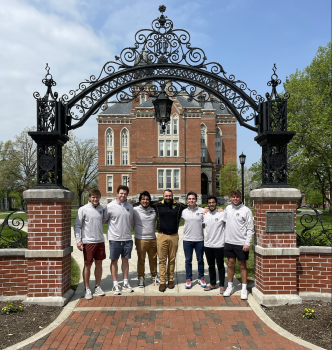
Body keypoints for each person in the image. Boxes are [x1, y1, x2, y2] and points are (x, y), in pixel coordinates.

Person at [151, 189, 187, 292]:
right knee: (162, 260)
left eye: (170, 196)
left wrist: (206, 208)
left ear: (172, 196)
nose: (168, 198)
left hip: (174, 236)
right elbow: (144, 202)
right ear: (163, 196)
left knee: (172, 259)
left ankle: (170, 279)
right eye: (166, 196)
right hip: (161, 236)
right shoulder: (157, 205)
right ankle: (162, 281)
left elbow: (191, 207)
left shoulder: (179, 206)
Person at [74, 189, 106, 300]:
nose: (95, 199)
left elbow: (103, 222)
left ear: (100, 197)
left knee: (99, 264)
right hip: (88, 242)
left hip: (100, 241)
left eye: (97, 197)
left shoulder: (102, 209)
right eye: (93, 197)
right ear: (89, 197)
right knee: (88, 265)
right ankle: (87, 288)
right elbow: (77, 225)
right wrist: (78, 240)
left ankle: (97, 286)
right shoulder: (83, 209)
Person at [223, 189, 254, 300]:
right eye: (233, 197)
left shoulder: (246, 211)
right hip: (229, 242)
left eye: (237, 197)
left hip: (241, 243)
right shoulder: (228, 209)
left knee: (242, 265)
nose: (235, 199)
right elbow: (223, 221)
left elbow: (250, 228)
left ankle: (244, 289)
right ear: (231, 198)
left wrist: (247, 243)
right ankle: (230, 287)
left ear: (240, 197)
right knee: (231, 264)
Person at [104, 185, 134, 295]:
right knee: (114, 261)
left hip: (127, 238)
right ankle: (115, 284)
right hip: (114, 239)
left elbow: (131, 221)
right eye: (121, 193)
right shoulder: (110, 206)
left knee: (125, 261)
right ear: (117, 193)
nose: (123, 195)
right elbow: (105, 219)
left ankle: (125, 282)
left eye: (125, 194)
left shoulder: (130, 207)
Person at [133, 191, 159, 287]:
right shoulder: (134, 210)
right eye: (143, 199)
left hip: (153, 239)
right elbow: (131, 222)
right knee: (141, 260)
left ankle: (154, 276)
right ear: (140, 200)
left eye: (147, 199)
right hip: (140, 239)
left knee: (153, 259)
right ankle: (141, 278)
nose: (145, 201)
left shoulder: (154, 210)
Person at [180, 191, 206, 289]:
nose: (191, 200)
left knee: (200, 260)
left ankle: (201, 278)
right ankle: (189, 279)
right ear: (187, 200)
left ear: (196, 199)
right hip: (187, 240)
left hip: (199, 239)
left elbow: (206, 223)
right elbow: (176, 220)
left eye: (193, 199)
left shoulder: (202, 210)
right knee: (188, 260)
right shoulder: (184, 211)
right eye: (190, 199)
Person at [203, 195, 227, 294]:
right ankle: (212, 283)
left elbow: (229, 224)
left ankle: (222, 285)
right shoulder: (205, 214)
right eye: (209, 203)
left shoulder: (222, 214)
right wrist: (204, 210)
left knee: (220, 266)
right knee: (211, 265)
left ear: (217, 204)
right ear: (207, 204)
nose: (211, 204)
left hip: (219, 245)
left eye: (213, 202)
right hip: (208, 245)